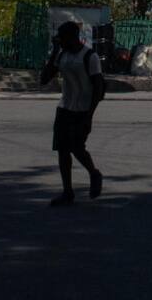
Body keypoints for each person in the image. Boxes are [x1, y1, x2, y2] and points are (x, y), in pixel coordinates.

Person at [40, 21, 105, 206]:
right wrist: (54, 52)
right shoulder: (62, 56)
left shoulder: (89, 57)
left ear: (72, 37)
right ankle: (67, 191)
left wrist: (89, 116)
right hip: (64, 108)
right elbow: (44, 79)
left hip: (83, 110)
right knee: (62, 150)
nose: (60, 41)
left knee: (77, 148)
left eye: (62, 38)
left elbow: (98, 88)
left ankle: (94, 173)